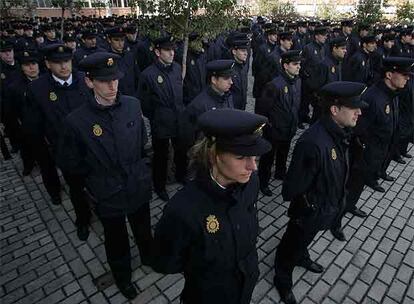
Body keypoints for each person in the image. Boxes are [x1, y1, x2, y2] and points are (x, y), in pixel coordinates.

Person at [58, 52, 153, 300]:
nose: (112, 86)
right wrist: (95, 185)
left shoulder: (132, 105)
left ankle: (149, 257)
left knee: (143, 228)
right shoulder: (76, 121)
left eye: (115, 79)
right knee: (116, 241)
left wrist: (142, 171)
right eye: (103, 81)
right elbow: (72, 165)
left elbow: (142, 142)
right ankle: (123, 277)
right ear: (89, 82)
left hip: (137, 184)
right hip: (108, 193)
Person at [153, 108, 271, 304]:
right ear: (214, 155)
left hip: (245, 286)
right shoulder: (183, 210)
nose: (253, 166)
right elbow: (166, 262)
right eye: (241, 157)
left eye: (254, 157)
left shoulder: (250, 182)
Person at [273, 81, 368, 304]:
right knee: (290, 246)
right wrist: (308, 208)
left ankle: (302, 256)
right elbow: (293, 186)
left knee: (304, 241)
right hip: (308, 212)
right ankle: (282, 278)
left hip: (324, 209)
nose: (359, 112)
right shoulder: (313, 142)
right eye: (354, 108)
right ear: (335, 110)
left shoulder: (339, 132)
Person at [22, 43, 91, 240]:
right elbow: (34, 127)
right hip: (66, 150)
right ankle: (83, 219)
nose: (63, 66)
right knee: (76, 189)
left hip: (92, 146)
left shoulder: (84, 79)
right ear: (47, 64)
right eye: (57, 62)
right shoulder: (37, 89)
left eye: (67, 61)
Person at [341, 58, 414, 234]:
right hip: (364, 153)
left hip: (378, 151)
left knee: (358, 185)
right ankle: (337, 220)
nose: (407, 79)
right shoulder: (373, 97)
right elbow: (357, 129)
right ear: (389, 75)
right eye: (404, 75)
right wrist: (363, 152)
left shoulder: (393, 92)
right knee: (351, 184)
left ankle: (350, 205)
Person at [137, 36, 186, 201]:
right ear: (157, 52)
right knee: (161, 156)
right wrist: (158, 116)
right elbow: (145, 105)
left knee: (181, 150)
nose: (171, 53)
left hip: (179, 118)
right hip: (161, 122)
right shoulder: (148, 75)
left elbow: (181, 93)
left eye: (172, 49)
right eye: (167, 50)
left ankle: (181, 175)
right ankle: (160, 186)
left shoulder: (177, 68)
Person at [256, 50, 302, 196]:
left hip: (289, 128)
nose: (298, 67)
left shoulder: (297, 81)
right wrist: (268, 128)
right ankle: (263, 183)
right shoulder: (274, 85)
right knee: (268, 159)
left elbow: (296, 105)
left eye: (299, 64)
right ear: (285, 66)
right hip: (274, 131)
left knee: (283, 153)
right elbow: (262, 110)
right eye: (295, 64)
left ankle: (280, 173)